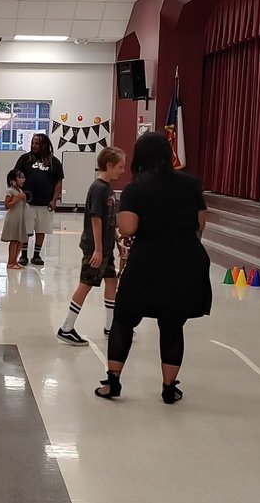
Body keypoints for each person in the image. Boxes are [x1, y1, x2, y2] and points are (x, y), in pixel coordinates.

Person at [95, 133, 211, 405]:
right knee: (172, 324)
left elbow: (128, 228)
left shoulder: (136, 188)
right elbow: (201, 224)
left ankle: (113, 382)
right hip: (185, 261)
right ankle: (169, 388)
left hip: (147, 260)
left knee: (124, 319)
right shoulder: (190, 183)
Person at [58, 147, 126, 346]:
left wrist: (116, 241)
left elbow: (109, 220)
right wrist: (97, 249)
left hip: (106, 247)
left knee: (112, 282)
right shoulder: (98, 188)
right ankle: (66, 328)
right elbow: (96, 219)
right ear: (109, 165)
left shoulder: (108, 188)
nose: (122, 171)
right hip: (95, 248)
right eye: (120, 166)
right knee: (86, 284)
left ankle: (110, 326)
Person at [15, 133, 64, 266]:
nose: (34, 145)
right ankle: (23, 255)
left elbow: (58, 182)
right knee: (25, 229)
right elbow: (16, 177)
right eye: (33, 143)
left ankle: (36, 255)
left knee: (41, 229)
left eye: (37, 143)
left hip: (45, 203)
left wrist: (54, 200)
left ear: (45, 144)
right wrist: (17, 194)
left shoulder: (54, 162)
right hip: (27, 202)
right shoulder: (25, 159)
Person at [2, 170, 28, 270]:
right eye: (20, 177)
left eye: (23, 177)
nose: (23, 180)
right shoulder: (10, 191)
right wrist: (17, 198)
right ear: (13, 180)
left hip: (20, 218)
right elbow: (7, 205)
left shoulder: (20, 191)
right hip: (13, 218)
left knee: (20, 240)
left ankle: (15, 260)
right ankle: (10, 262)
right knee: (14, 240)